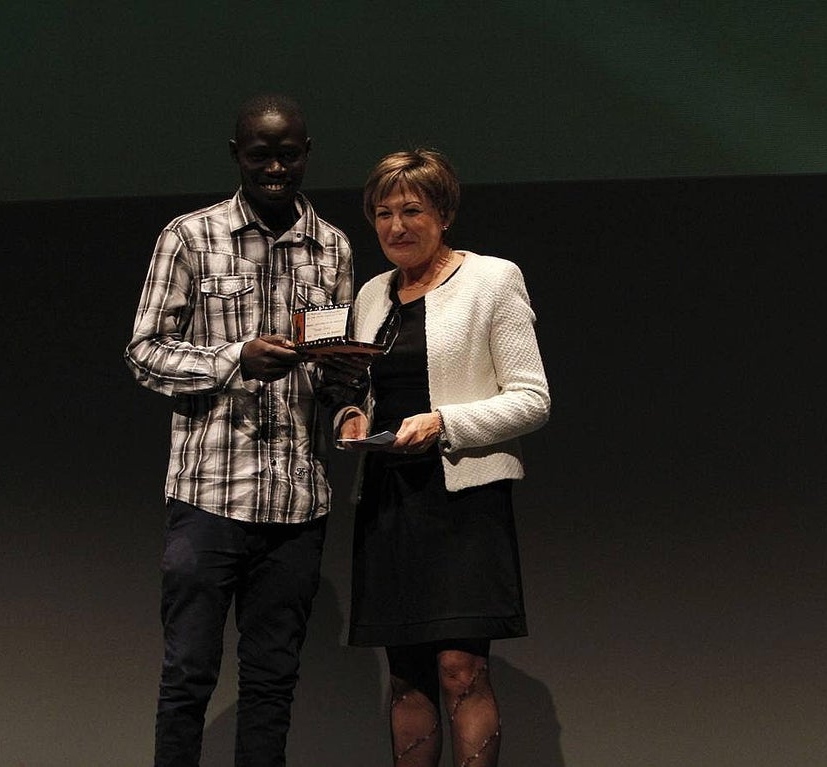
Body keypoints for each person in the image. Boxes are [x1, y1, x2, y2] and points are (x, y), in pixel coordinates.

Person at [125, 94, 360, 767]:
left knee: (271, 684)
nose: (277, 167)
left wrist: (346, 387)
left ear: (308, 152)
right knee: (188, 676)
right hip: (209, 499)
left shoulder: (334, 247)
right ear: (237, 156)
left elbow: (332, 359)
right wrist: (234, 359)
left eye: (289, 153)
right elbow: (144, 352)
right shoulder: (189, 237)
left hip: (296, 502)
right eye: (262, 154)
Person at [337, 149, 551, 767]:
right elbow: (362, 393)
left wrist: (446, 423)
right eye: (382, 214)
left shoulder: (492, 279)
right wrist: (352, 419)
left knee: (461, 669)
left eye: (412, 210)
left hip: (462, 499)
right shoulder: (373, 296)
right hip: (388, 499)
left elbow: (532, 400)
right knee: (405, 675)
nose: (396, 227)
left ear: (444, 214)